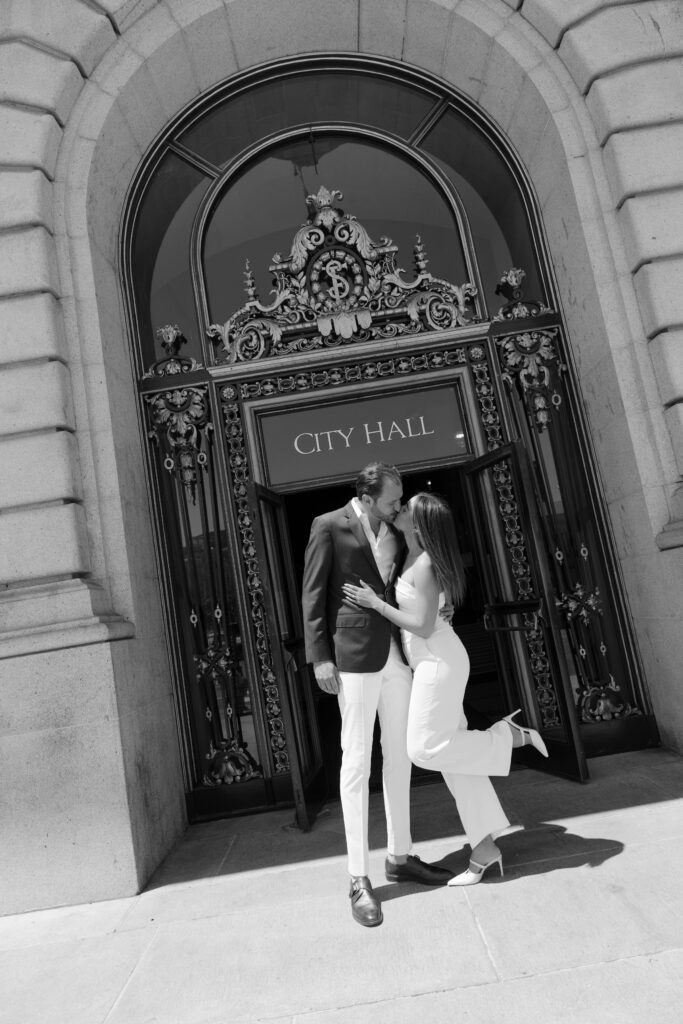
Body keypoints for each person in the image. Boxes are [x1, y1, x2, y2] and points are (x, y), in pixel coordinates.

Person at [343, 491, 548, 887]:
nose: (398, 510)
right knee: (456, 763)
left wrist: (374, 603)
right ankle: (486, 850)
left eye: (406, 509)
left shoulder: (422, 564)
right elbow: (428, 610)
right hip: (430, 661)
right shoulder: (409, 555)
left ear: (417, 525)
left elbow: (420, 625)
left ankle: (506, 736)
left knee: (422, 748)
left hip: (438, 661)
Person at [302, 464, 453, 928]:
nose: (398, 506)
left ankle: (400, 856)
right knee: (357, 760)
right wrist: (319, 656)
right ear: (366, 499)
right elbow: (312, 593)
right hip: (351, 656)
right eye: (391, 500)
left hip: (395, 656)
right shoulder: (328, 526)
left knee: (402, 754)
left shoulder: (396, 531)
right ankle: (357, 878)